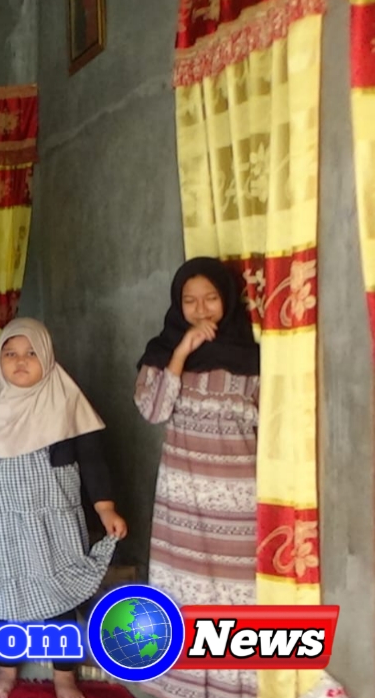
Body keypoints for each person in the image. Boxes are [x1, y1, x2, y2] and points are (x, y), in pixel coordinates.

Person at [0, 318, 127, 698]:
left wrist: (106, 509)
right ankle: (6, 669)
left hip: (55, 521)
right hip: (3, 523)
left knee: (60, 595)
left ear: (47, 356)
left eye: (31, 353)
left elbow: (93, 460)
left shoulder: (65, 399)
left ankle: (64, 676)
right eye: (11, 353)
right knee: (6, 599)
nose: (20, 361)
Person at [134, 258, 260, 698]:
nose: (201, 309)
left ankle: (235, 685)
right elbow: (153, 411)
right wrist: (181, 354)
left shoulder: (252, 358)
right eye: (190, 301)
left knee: (237, 592)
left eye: (211, 299)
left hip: (239, 501)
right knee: (184, 588)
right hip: (181, 497)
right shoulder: (161, 354)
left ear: (228, 300)